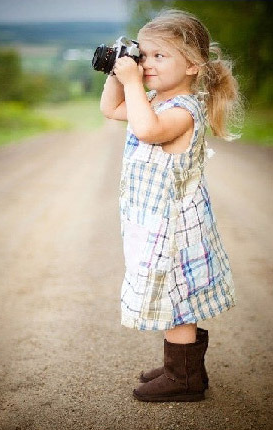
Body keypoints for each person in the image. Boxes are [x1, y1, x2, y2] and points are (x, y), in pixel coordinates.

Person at [99, 9, 241, 402]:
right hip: (154, 219)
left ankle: (184, 380)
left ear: (193, 65)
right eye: (143, 55)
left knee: (176, 296)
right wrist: (117, 74)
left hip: (176, 225)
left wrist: (131, 81)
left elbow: (145, 130)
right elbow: (111, 111)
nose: (146, 64)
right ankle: (182, 365)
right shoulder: (155, 101)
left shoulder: (182, 110)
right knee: (169, 291)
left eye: (161, 56)